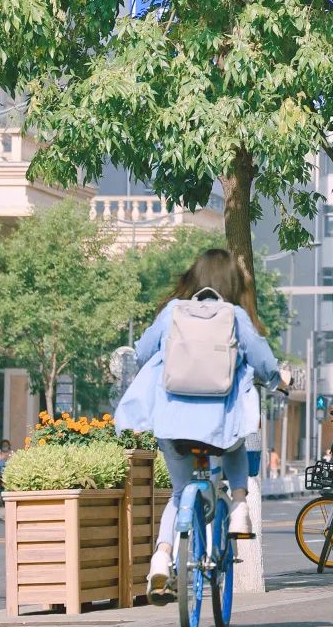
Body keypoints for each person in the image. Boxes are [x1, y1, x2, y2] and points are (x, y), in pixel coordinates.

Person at [114, 248, 286, 602]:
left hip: (172, 423)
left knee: (179, 494)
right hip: (219, 425)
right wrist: (279, 380)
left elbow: (142, 352)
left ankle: (162, 558)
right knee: (236, 443)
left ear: (194, 277)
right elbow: (265, 363)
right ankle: (239, 506)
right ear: (232, 282)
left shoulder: (172, 312)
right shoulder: (236, 316)